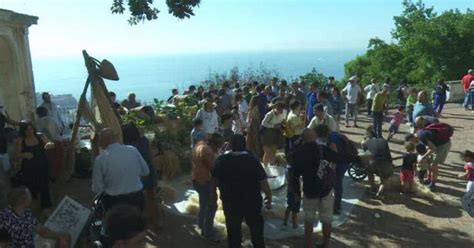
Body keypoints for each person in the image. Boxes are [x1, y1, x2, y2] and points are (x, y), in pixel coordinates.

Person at [289, 128, 357, 248]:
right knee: (326, 220)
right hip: (325, 190)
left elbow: (294, 176)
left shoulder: (298, 153)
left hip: (309, 191)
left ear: (303, 139)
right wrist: (359, 159)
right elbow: (339, 158)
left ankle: (309, 244)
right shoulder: (322, 150)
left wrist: (296, 193)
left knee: (309, 220)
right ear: (315, 138)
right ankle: (325, 244)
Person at [211, 134, 272, 248]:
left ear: (230, 146)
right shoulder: (253, 160)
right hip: (252, 202)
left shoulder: (222, 160)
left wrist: (213, 196)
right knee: (256, 232)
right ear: (245, 146)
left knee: (233, 233)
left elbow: (214, 181)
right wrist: (269, 196)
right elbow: (263, 181)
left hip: (231, 202)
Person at [92, 128, 150, 211]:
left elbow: (98, 188)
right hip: (137, 197)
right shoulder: (132, 150)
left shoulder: (100, 159)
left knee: (118, 223)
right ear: (115, 138)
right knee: (136, 222)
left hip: (114, 201)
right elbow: (146, 171)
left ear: (102, 142)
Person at [0, 187, 71, 248]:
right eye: (29, 195)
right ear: (23, 200)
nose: (31, 196)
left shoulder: (5, 212)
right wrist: (60, 236)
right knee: (66, 236)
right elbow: (44, 232)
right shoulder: (26, 219)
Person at [121, 123, 160, 229]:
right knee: (152, 197)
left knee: (138, 199)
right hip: (149, 170)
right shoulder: (144, 140)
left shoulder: (127, 146)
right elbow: (151, 155)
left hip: (138, 174)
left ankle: (142, 222)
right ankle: (155, 221)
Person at [14, 121, 54, 209]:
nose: (29, 131)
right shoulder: (21, 140)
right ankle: (32, 206)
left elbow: (50, 143)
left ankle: (46, 206)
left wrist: (49, 144)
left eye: (31, 129)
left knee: (44, 185)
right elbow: (16, 155)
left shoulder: (40, 136)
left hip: (43, 164)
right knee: (31, 186)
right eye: (26, 130)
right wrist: (24, 155)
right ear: (22, 131)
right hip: (29, 168)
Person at [313, 124, 351, 215]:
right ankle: (335, 204)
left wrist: (331, 171)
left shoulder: (332, 141)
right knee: (336, 184)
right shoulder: (333, 134)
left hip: (341, 163)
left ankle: (336, 207)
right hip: (345, 160)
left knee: (337, 184)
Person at [192, 139, 219, 240]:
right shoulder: (207, 150)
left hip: (196, 179)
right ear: (213, 144)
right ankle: (208, 231)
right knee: (212, 205)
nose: (218, 149)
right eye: (218, 146)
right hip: (204, 181)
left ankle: (201, 224)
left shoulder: (198, 146)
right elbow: (211, 167)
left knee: (203, 203)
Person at [416, 122, 453, 191]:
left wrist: (424, 157)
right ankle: (429, 178)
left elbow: (433, 149)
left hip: (443, 145)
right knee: (429, 162)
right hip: (437, 144)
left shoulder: (422, 137)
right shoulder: (420, 134)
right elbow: (430, 146)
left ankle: (433, 183)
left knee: (433, 165)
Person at [36, 106, 66, 181]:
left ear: (38, 114)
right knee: (58, 161)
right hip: (57, 142)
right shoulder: (52, 119)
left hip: (47, 144)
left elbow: (38, 134)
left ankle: (51, 177)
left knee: (50, 161)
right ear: (46, 112)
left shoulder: (37, 122)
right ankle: (57, 177)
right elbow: (59, 130)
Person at [261, 101, 287, 166]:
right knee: (267, 152)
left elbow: (283, 121)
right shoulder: (270, 114)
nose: (282, 111)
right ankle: (265, 166)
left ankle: (272, 165)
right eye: (280, 110)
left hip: (277, 133)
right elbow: (263, 123)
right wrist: (273, 126)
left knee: (273, 152)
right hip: (268, 134)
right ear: (277, 108)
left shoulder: (284, 112)